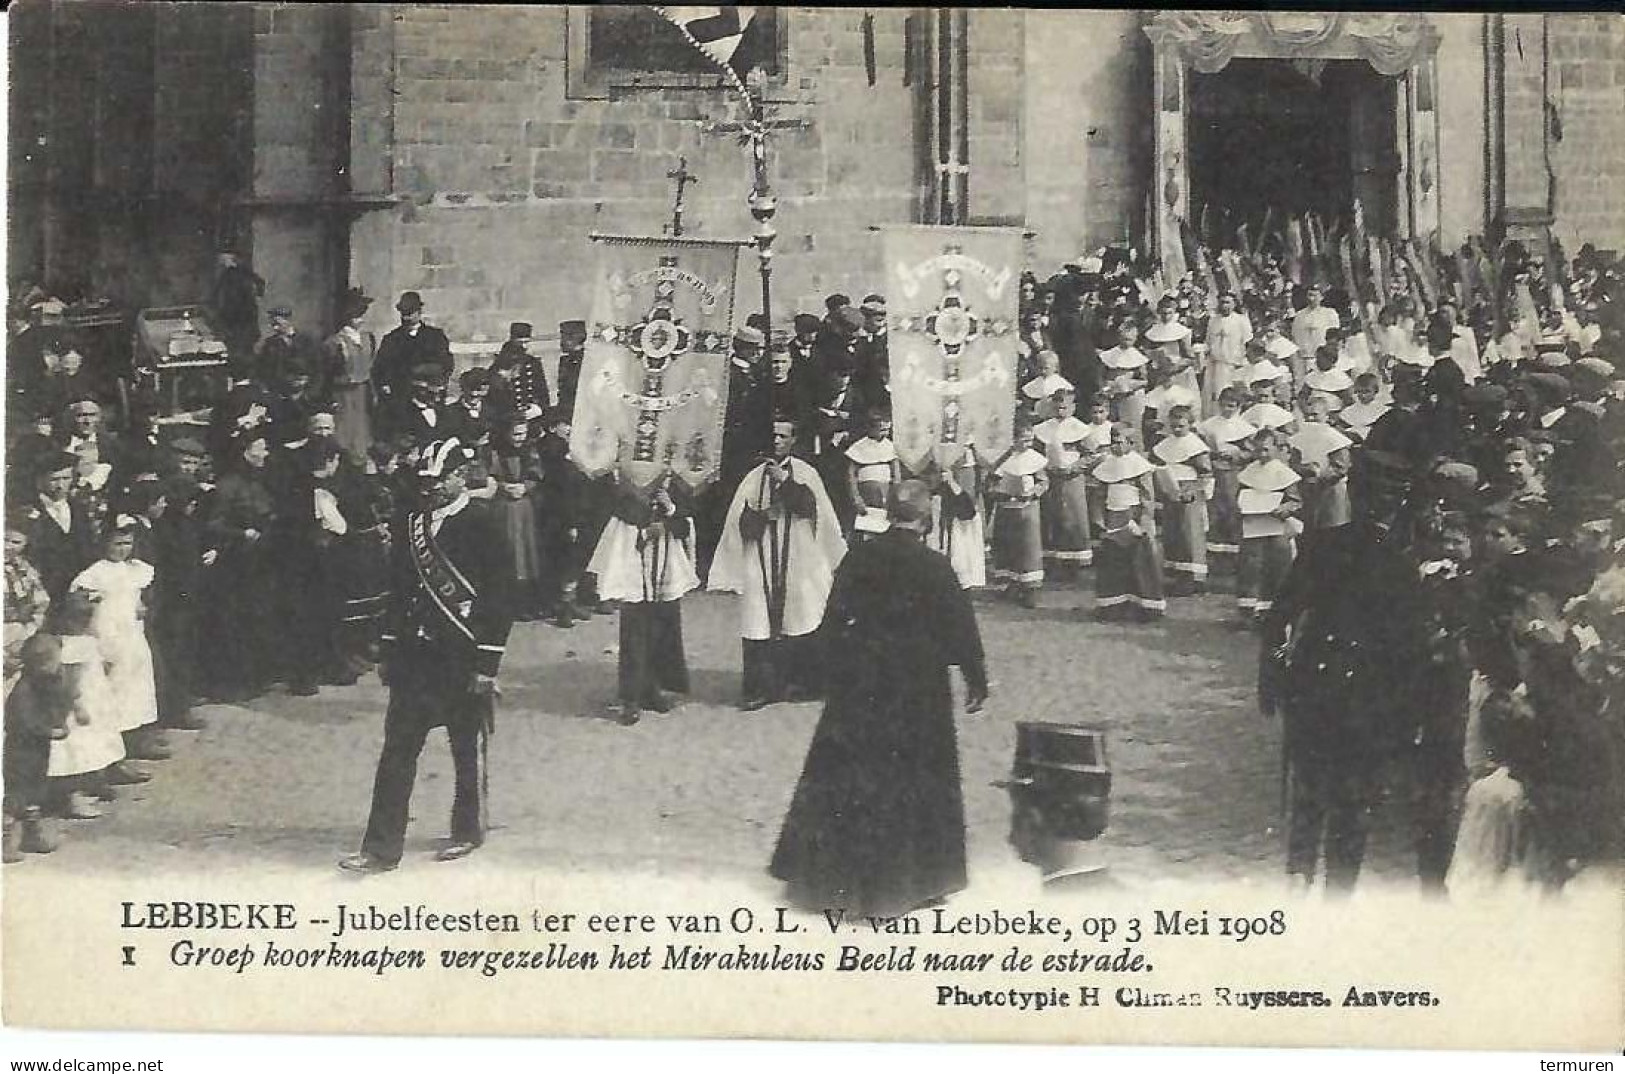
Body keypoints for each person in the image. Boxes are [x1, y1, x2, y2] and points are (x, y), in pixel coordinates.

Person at [769, 479, 988, 916]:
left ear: (888, 515)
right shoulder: (935, 567)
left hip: (861, 688)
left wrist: (826, 672)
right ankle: (919, 880)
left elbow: (832, 621)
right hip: (918, 692)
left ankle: (829, 878)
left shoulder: (860, 559)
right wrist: (975, 677)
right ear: (926, 520)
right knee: (916, 779)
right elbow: (960, 628)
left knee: (848, 775)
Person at [1258, 450, 1430, 892]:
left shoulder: (1327, 544)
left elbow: (1279, 617)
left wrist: (1273, 679)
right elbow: (1411, 647)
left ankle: (1306, 879)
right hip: (1362, 693)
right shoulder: (1400, 560)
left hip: (1325, 684)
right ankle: (1333, 889)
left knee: (1317, 792)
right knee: (1347, 797)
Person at [341, 437, 513, 873]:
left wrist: (487, 665)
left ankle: (467, 830)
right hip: (414, 659)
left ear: (461, 477)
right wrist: (389, 648)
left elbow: (500, 599)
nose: (431, 489)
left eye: (439, 481)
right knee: (397, 750)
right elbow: (398, 589)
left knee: (464, 749)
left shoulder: (485, 523)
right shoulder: (411, 522)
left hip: (461, 656)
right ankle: (381, 847)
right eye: (425, 482)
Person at [708, 418, 847, 710]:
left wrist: (785, 483)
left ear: (793, 440)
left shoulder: (806, 473)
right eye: (773, 435)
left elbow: (812, 509)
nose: (777, 441)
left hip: (799, 554)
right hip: (761, 556)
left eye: (783, 436)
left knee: (802, 612)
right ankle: (761, 688)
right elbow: (739, 522)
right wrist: (761, 517)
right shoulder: (753, 477)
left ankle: (803, 683)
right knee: (759, 617)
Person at [589, 476, 698, 726]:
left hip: (666, 565)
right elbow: (620, 519)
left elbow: (684, 527)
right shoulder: (630, 488)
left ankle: (653, 688)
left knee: (661, 628)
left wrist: (670, 509)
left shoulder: (674, 488)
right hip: (635, 566)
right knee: (634, 631)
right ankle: (631, 698)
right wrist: (643, 530)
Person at [71, 520, 164, 761]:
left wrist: (141, 604)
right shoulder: (94, 573)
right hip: (107, 632)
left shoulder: (135, 569)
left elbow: (137, 595)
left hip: (131, 632)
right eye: (117, 544)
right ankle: (117, 744)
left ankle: (138, 736)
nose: (122, 549)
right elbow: (83, 607)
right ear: (104, 544)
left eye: (127, 543)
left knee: (138, 684)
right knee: (116, 686)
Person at [1091, 422, 1164, 622]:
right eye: (1112, 442)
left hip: (1133, 515)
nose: (1115, 446)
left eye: (1119, 442)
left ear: (1131, 443)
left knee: (1139, 560)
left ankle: (1145, 606)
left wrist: (1144, 520)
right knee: (1113, 561)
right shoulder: (1106, 465)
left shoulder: (1140, 466)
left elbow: (1147, 496)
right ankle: (1113, 605)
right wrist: (1099, 520)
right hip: (1112, 515)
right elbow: (1098, 494)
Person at [482, 411, 550, 622]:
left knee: (530, 553)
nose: (520, 438)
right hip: (506, 508)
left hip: (526, 507)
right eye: (516, 434)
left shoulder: (530, 450)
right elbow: (488, 476)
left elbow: (536, 473)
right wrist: (504, 486)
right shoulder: (494, 452)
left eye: (523, 433)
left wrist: (526, 486)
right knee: (514, 553)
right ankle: (515, 604)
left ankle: (533, 601)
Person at [1236, 427, 1302, 623]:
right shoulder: (1250, 471)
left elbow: (1296, 500)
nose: (1262, 454)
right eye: (1258, 450)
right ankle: (1248, 610)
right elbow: (1240, 493)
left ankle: (1274, 611)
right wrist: (1241, 504)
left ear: (1275, 449)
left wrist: (1285, 508)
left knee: (1276, 567)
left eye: (1266, 449)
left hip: (1276, 527)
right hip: (1253, 525)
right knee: (1251, 566)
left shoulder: (1284, 473)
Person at [988, 413, 1049, 607]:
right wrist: (997, 491)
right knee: (1007, 545)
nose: (1028, 444)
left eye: (1030, 440)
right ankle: (1011, 584)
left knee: (1028, 547)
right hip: (1006, 507)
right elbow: (991, 481)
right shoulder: (1003, 459)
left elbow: (1043, 481)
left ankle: (1030, 589)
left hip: (1027, 507)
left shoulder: (1035, 459)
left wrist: (1033, 492)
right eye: (1023, 440)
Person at [371, 291, 453, 407]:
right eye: (403, 313)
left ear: (419, 312)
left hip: (429, 396)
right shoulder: (391, 339)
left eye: (410, 313)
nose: (406, 317)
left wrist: (437, 385)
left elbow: (446, 364)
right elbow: (380, 368)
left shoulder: (435, 336)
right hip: (400, 398)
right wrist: (384, 385)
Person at [323, 287, 377, 457]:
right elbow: (327, 374)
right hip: (343, 394)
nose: (359, 319)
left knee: (362, 431)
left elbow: (370, 367)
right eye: (355, 315)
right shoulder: (335, 342)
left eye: (361, 314)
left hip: (362, 393)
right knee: (344, 432)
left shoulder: (368, 338)